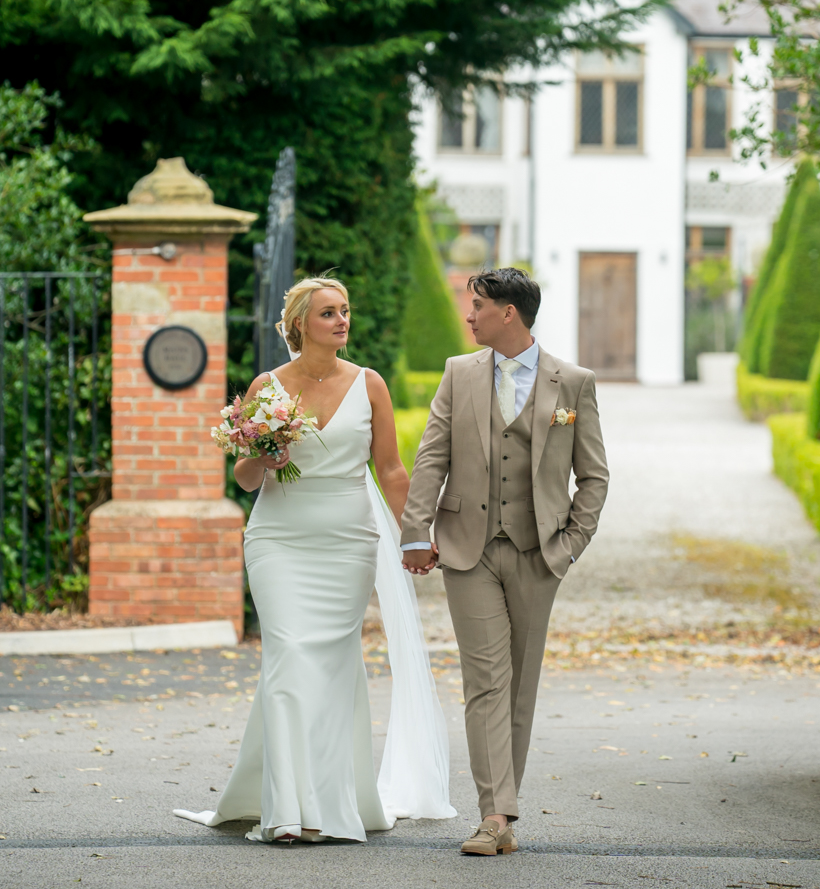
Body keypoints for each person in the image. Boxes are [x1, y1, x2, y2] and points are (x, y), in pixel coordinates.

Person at [174, 276, 455, 842]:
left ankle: (328, 799)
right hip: (278, 538)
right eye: (329, 313)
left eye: (345, 311)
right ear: (301, 323)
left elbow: (392, 471)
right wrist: (267, 456)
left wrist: (417, 532)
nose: (342, 321)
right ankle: (284, 812)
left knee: (328, 666)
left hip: (348, 541)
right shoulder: (267, 386)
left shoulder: (369, 384)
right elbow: (245, 477)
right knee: (288, 655)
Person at [400, 267, 610, 856]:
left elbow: (593, 477)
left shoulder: (573, 382)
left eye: (478, 307)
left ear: (509, 313)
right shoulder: (457, 374)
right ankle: (494, 814)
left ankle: (502, 812)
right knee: (485, 681)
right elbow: (431, 455)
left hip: (538, 551)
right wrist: (415, 531)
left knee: (520, 684)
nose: (469, 316)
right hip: (468, 546)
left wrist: (568, 545)